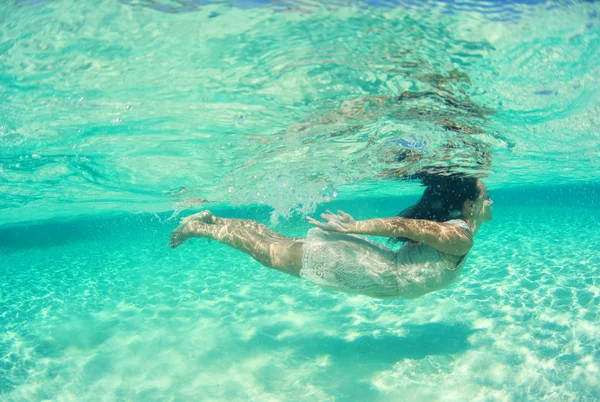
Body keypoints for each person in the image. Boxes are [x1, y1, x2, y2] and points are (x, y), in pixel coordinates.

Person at [169, 176, 492, 299]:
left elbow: (408, 229)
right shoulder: (460, 238)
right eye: (485, 198)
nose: (489, 203)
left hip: (372, 265)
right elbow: (403, 227)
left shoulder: (456, 231)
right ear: (468, 205)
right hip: (367, 268)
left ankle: (213, 220)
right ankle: (200, 227)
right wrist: (353, 227)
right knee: (270, 251)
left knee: (274, 244)